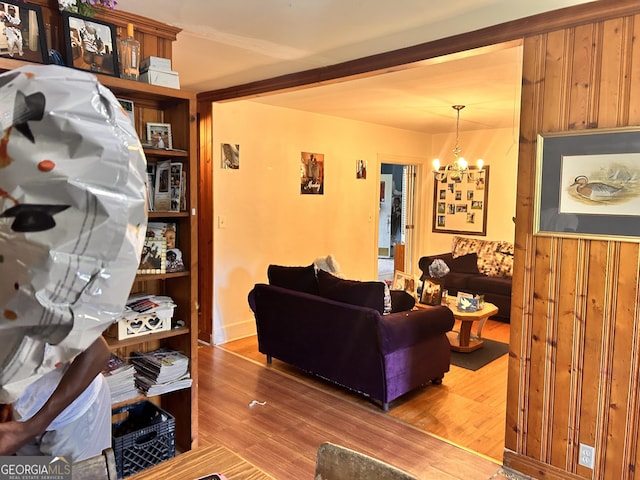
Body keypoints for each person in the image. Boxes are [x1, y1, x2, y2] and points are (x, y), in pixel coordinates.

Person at [0, 337, 111, 460]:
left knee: (76, 475)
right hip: (22, 416)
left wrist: (32, 427)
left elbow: (97, 352)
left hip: (73, 412)